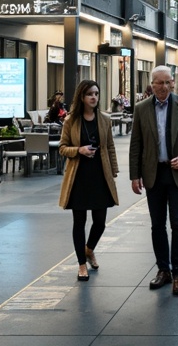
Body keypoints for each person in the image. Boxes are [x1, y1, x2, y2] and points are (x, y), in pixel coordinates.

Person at [129, 66, 178, 296]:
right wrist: (135, 175)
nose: (163, 87)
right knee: (157, 225)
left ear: (173, 83)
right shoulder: (141, 109)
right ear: (151, 85)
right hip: (154, 174)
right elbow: (136, 144)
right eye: (158, 83)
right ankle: (163, 270)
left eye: (167, 82)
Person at [58, 80, 119, 282]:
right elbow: (62, 148)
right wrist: (79, 150)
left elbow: (109, 146)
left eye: (96, 94)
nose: (94, 97)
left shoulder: (104, 119)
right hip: (79, 176)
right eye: (90, 94)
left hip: (100, 175)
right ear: (82, 97)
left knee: (100, 222)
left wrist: (114, 170)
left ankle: (89, 249)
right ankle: (81, 264)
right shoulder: (71, 121)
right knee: (79, 222)